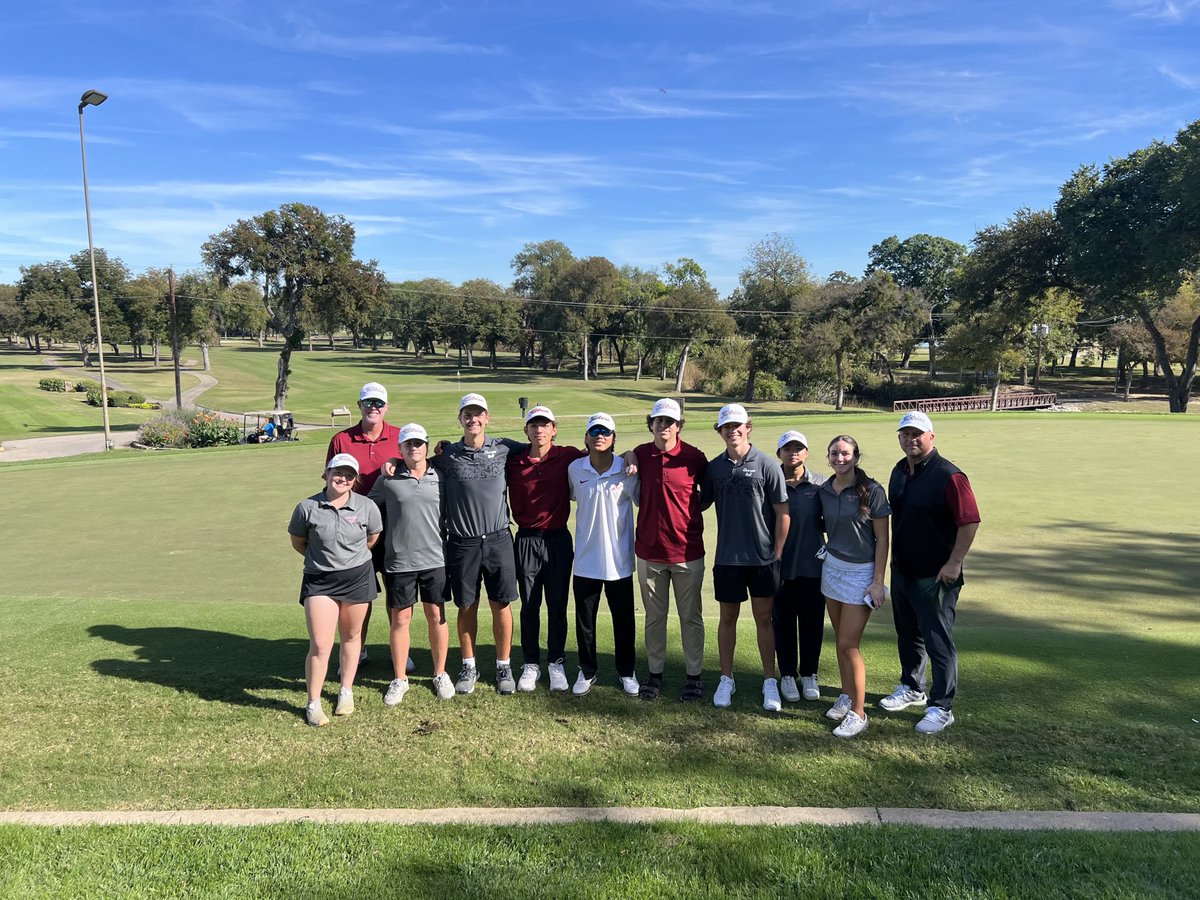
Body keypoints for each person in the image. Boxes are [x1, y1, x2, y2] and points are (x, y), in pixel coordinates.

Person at [880, 411, 981, 734]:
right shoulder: (899, 471)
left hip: (936, 575)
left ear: (931, 437)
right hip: (903, 570)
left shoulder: (949, 475)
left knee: (938, 640)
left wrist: (954, 563)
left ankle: (942, 705)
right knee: (909, 634)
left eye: (917, 434)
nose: (910, 439)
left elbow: (969, 521)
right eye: (905, 434)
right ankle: (912, 687)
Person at [430, 393, 523, 695]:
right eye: (467, 414)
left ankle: (503, 665)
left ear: (487, 418)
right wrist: (392, 462)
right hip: (462, 542)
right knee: (466, 605)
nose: (473, 419)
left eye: (478, 414)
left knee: (501, 604)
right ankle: (469, 665)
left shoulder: (505, 448)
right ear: (460, 419)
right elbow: (416, 461)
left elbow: (540, 449)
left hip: (498, 539)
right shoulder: (447, 455)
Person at [701, 405, 790, 711]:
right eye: (726, 426)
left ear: (748, 427)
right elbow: (697, 503)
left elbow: (783, 513)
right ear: (720, 430)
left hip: (762, 560)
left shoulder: (767, 464)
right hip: (727, 558)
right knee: (728, 619)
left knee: (764, 620)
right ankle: (727, 679)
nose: (732, 430)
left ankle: (769, 681)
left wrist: (777, 553)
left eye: (737, 425)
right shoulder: (714, 468)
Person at [288, 453, 382, 726]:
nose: (343, 478)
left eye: (349, 475)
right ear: (326, 475)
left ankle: (345, 691)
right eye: (337, 473)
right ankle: (313, 703)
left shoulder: (366, 506)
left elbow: (372, 538)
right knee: (320, 643)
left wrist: (350, 560)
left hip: (357, 578)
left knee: (352, 638)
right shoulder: (307, 507)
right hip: (320, 581)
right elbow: (299, 542)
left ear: (356, 480)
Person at [369, 423, 455, 705]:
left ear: (426, 446)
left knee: (436, 617)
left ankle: (440, 673)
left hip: (435, 559)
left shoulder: (440, 476)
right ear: (400, 449)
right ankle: (399, 679)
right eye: (408, 444)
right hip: (399, 561)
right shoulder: (387, 479)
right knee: (400, 620)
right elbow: (368, 510)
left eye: (418, 443)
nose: (414, 448)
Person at [629, 398, 708, 702]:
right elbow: (625, 459)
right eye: (659, 421)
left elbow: (708, 494)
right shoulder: (639, 454)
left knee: (691, 617)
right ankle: (655, 674)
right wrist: (627, 454)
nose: (664, 426)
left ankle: (694, 675)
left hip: (687, 552)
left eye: (670, 422)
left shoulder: (694, 457)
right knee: (654, 617)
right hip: (649, 551)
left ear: (679, 426)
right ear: (652, 424)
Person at [325, 382, 405, 674]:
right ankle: (357, 649)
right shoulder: (341, 439)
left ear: (386, 407)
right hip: (354, 529)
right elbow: (331, 483)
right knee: (359, 594)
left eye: (379, 404)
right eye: (368, 403)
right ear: (359, 405)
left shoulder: (400, 436)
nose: (374, 408)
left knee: (398, 592)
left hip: (395, 525)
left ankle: (400, 648)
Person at [505, 405, 586, 693]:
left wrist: (631, 456)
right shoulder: (512, 460)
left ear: (554, 429)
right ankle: (531, 663)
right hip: (526, 539)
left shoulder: (567, 456)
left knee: (557, 604)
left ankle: (556, 661)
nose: (539, 429)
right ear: (526, 430)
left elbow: (601, 456)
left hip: (558, 540)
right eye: (534, 425)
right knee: (529, 605)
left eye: (545, 424)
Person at [819, 435, 890, 739]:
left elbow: (883, 539)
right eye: (835, 453)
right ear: (829, 457)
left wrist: (877, 582)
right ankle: (847, 694)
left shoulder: (872, 491)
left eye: (846, 453)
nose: (840, 458)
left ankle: (858, 713)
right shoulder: (824, 490)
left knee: (850, 644)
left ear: (856, 456)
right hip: (832, 569)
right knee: (840, 642)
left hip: (861, 575)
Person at [567, 413, 640, 696]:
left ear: (613, 438)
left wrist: (631, 454)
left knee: (624, 622)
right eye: (594, 430)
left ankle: (626, 672)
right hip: (585, 559)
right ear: (586, 437)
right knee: (585, 622)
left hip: (619, 560)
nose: (600, 435)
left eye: (606, 431)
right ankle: (587, 670)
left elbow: (640, 500)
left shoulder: (628, 468)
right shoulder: (575, 468)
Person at [773, 430, 827, 703]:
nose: (793, 452)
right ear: (779, 453)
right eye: (787, 448)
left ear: (806, 453)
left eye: (798, 448)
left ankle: (809, 674)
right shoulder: (771, 481)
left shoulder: (821, 483)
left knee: (812, 624)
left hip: (814, 566)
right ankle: (787, 675)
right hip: (780, 565)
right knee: (782, 624)